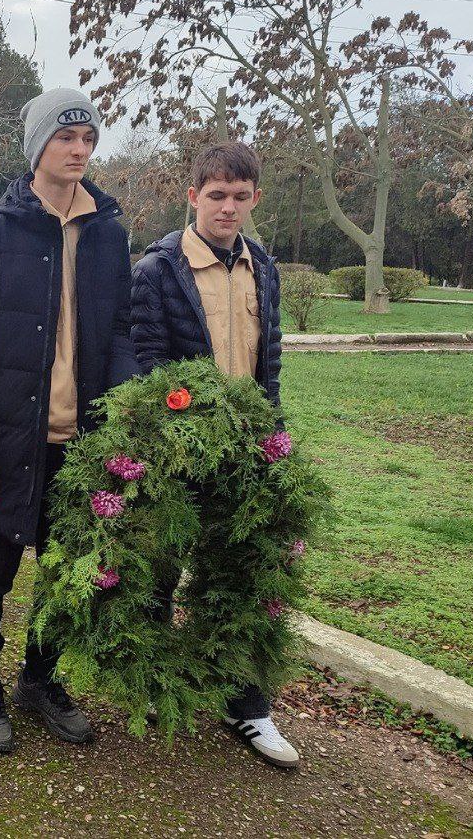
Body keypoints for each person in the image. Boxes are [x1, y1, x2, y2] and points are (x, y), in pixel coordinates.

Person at [0, 87, 139, 754]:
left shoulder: (109, 235)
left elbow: (120, 332)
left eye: (88, 138)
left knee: (65, 571)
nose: (79, 150)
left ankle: (40, 676)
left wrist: (120, 417)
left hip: (80, 444)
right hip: (6, 441)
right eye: (65, 137)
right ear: (37, 146)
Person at [130, 141, 294, 768]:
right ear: (193, 196)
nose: (228, 207)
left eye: (240, 197)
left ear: (255, 199)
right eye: (217, 195)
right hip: (180, 454)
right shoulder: (157, 271)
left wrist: (272, 438)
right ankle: (152, 683)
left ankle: (246, 704)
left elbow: (267, 362)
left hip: (247, 454)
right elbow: (146, 368)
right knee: (161, 571)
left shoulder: (263, 269)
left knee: (242, 578)